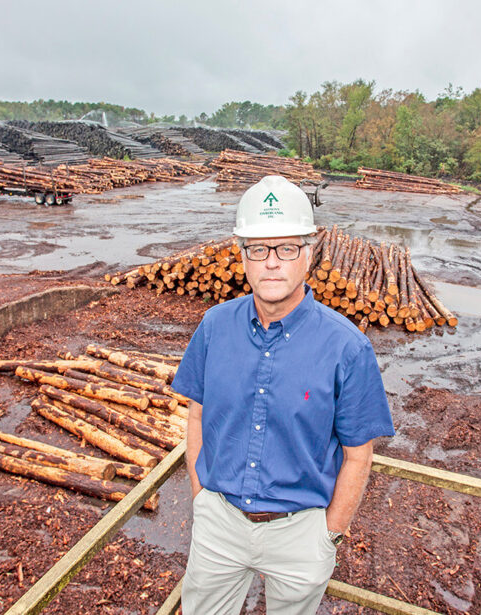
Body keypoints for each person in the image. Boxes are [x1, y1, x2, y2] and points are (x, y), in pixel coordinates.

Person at [171, 175, 394, 615]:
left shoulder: (347, 348)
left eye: (286, 248)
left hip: (300, 535)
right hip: (220, 522)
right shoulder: (214, 327)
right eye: (258, 249)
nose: (272, 263)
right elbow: (196, 417)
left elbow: (358, 455)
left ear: (308, 255)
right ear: (243, 258)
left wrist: (329, 534)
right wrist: (201, 496)